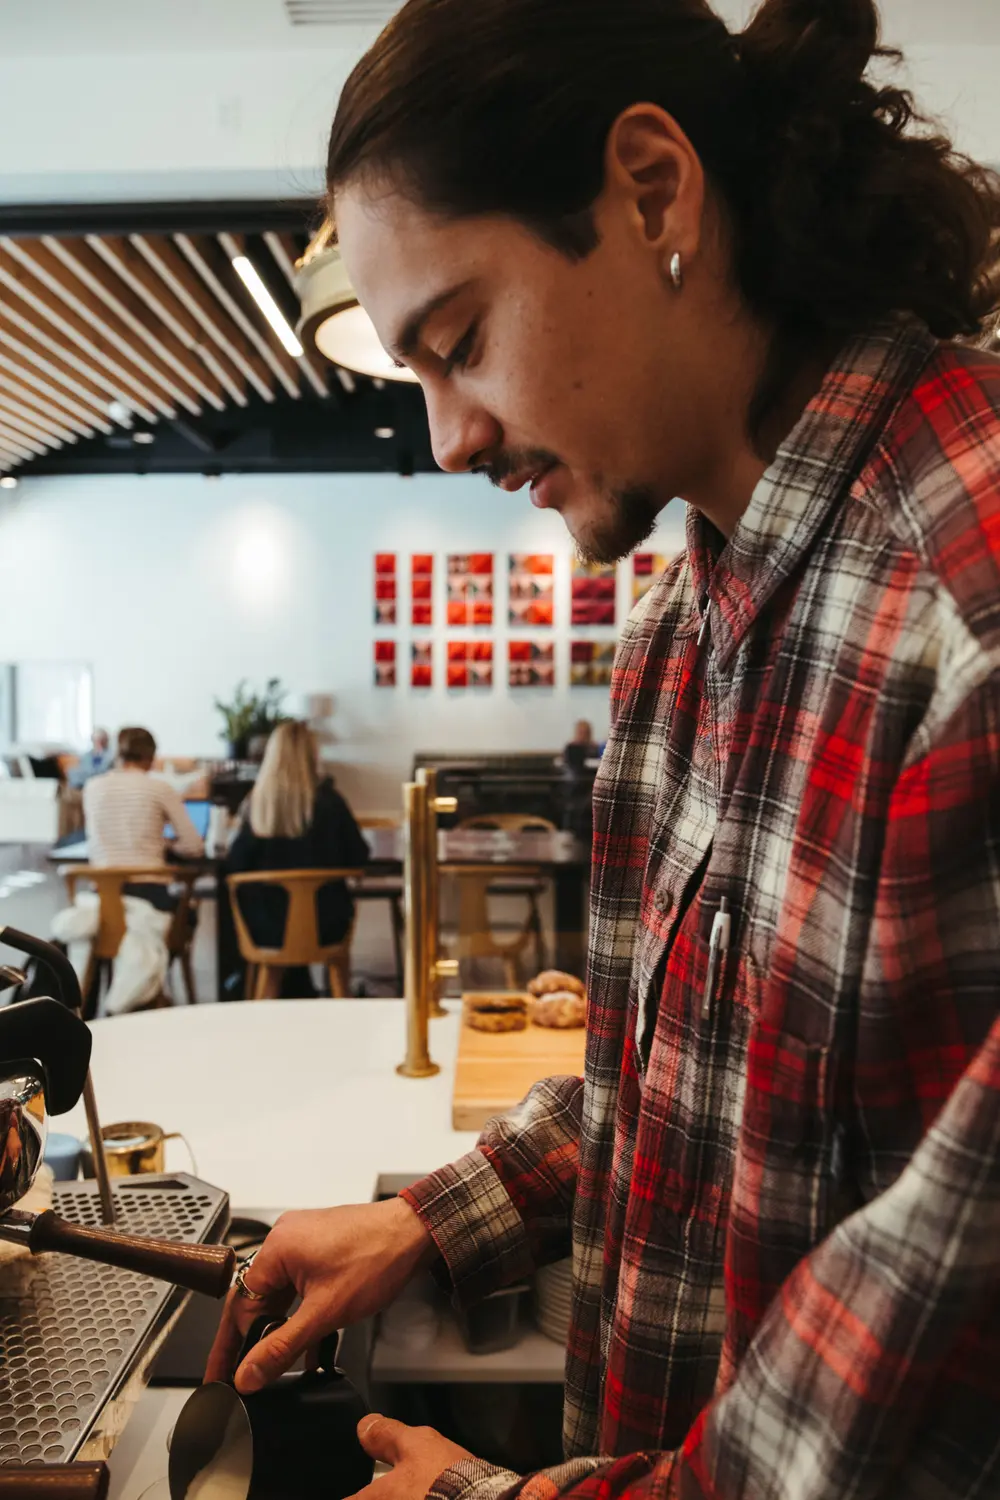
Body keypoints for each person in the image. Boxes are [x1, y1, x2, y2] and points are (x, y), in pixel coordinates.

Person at [207, 0, 1000, 1494]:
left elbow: (921, 1408)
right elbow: (689, 1088)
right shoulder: (679, 626)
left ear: (652, 192)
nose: (446, 440)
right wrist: (439, 1215)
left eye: (458, 340)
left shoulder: (968, 617)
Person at [225, 721, 370, 997]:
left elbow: (235, 864)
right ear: (312, 755)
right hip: (326, 926)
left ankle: (263, 1014)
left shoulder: (258, 804)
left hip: (267, 929)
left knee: (265, 929)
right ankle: (342, 1011)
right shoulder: (331, 802)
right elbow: (359, 856)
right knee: (333, 927)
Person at [84, 726, 204, 868]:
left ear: (116, 754)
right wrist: (165, 844)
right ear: (151, 757)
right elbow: (194, 847)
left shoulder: (91, 788)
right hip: (147, 885)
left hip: (102, 887)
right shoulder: (160, 789)